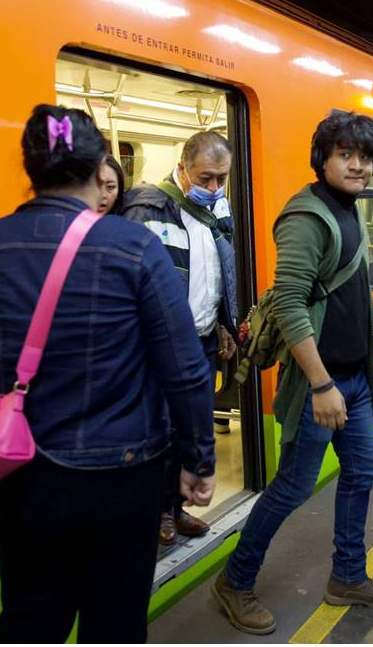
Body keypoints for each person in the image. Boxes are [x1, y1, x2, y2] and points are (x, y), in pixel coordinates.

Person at [0, 105, 215, 644]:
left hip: (11, 477)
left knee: (30, 613)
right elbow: (185, 370)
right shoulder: (134, 248)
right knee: (115, 619)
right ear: (97, 166)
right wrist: (198, 458)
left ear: (30, 169)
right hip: (118, 474)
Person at [213, 111, 373, 635]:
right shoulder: (307, 216)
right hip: (321, 383)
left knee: (363, 471)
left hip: (354, 381)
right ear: (322, 158)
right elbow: (292, 304)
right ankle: (235, 580)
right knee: (292, 487)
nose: (358, 166)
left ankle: (347, 576)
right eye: (346, 155)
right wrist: (321, 384)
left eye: (366, 158)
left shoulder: (348, 209)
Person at [120, 131, 239, 547]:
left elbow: (220, 270)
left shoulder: (218, 207)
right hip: (159, 346)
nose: (213, 188)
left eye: (221, 179)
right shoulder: (147, 209)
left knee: (191, 426)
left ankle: (175, 505)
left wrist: (226, 322)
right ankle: (157, 512)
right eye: (206, 178)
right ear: (184, 166)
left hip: (202, 340)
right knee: (160, 429)